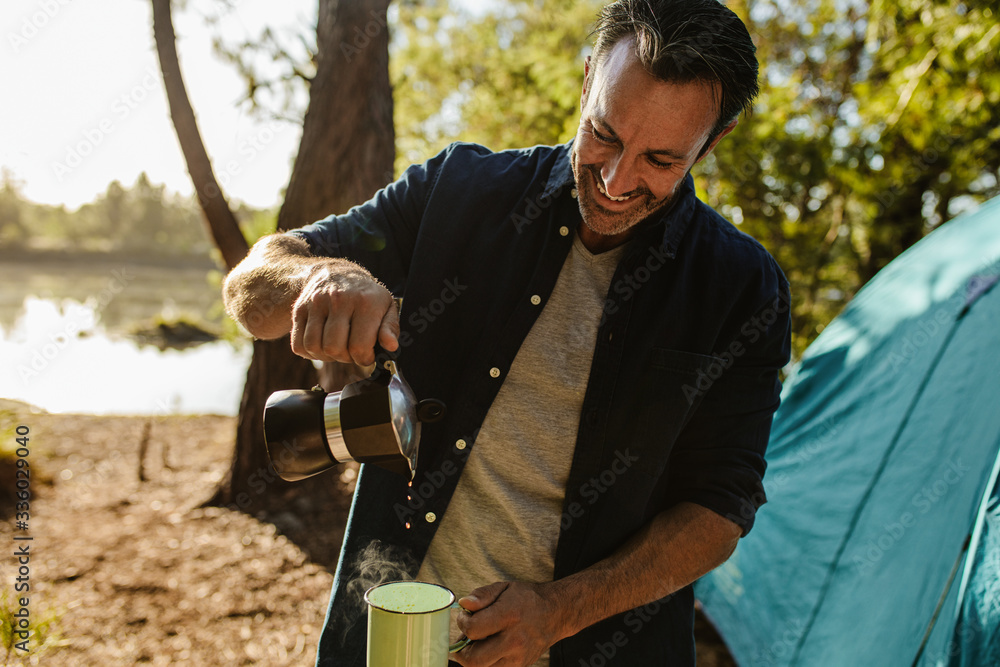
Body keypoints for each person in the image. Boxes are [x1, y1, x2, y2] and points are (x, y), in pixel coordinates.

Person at [222, 0, 791, 664]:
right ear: (585, 83)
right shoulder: (459, 189)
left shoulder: (743, 288)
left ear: (712, 140)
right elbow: (250, 289)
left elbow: (720, 509)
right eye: (603, 133)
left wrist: (559, 612)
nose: (615, 179)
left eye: (660, 160)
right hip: (392, 640)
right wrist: (321, 276)